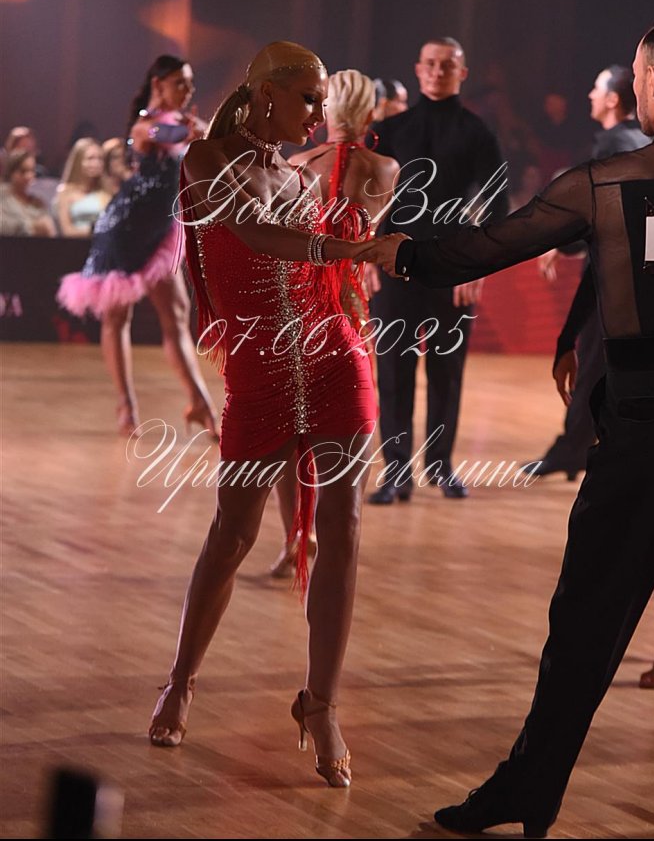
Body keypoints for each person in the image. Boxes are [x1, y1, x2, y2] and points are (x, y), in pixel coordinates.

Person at [360, 18, 654, 836]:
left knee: (584, 628)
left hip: (643, 437)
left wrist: (402, 253)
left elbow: (492, 243)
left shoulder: (609, 181)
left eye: (637, 76)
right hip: (639, 430)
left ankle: (529, 791)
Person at [147, 42, 378, 790]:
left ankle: (322, 704)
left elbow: (330, 262)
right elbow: (251, 232)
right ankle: (181, 679)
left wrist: (366, 246)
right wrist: (344, 242)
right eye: (308, 98)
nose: (317, 115)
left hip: (335, 357)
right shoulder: (206, 160)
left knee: (343, 526)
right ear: (265, 94)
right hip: (261, 372)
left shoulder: (303, 177)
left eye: (322, 102)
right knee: (234, 532)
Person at [265, 68, 398, 578]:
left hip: (300, 308)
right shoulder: (386, 169)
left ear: (324, 111)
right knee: (346, 430)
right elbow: (368, 238)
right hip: (350, 309)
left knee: (291, 431)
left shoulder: (296, 165)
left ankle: (296, 537)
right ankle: (337, 529)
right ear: (369, 113)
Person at [368, 36, 507, 503]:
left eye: (447, 65)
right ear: (418, 68)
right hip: (394, 267)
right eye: (430, 63)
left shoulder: (478, 133)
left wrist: (478, 269)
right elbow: (365, 200)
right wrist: (366, 257)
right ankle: (395, 473)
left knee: (447, 372)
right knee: (394, 371)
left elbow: (496, 208)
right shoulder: (389, 130)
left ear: (462, 73)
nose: (437, 71)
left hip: (454, 270)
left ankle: (441, 465)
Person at [57, 55, 218, 438]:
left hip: (158, 233)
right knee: (117, 317)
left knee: (176, 314)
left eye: (190, 82)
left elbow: (199, 142)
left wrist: (201, 131)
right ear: (158, 84)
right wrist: (193, 131)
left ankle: (201, 404)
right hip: (124, 232)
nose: (189, 90)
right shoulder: (146, 125)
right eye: (180, 82)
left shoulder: (183, 123)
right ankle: (126, 406)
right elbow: (164, 135)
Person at [531, 64, 651, 480]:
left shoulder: (614, 146)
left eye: (597, 89)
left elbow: (594, 216)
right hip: (639, 282)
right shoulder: (643, 143)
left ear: (613, 99)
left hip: (611, 280)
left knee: (593, 365)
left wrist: (559, 243)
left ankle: (573, 451)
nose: (590, 96)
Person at [54, 138, 109, 237]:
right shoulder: (65, 192)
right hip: (75, 244)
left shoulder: (107, 192)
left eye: (100, 159)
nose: (96, 163)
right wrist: (93, 231)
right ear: (78, 161)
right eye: (90, 158)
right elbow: (67, 230)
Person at [0, 150, 57, 237]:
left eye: (32, 171)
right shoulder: (3, 197)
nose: (28, 176)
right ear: (11, 173)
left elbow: (50, 230)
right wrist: (31, 227)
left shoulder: (38, 202)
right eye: (23, 171)